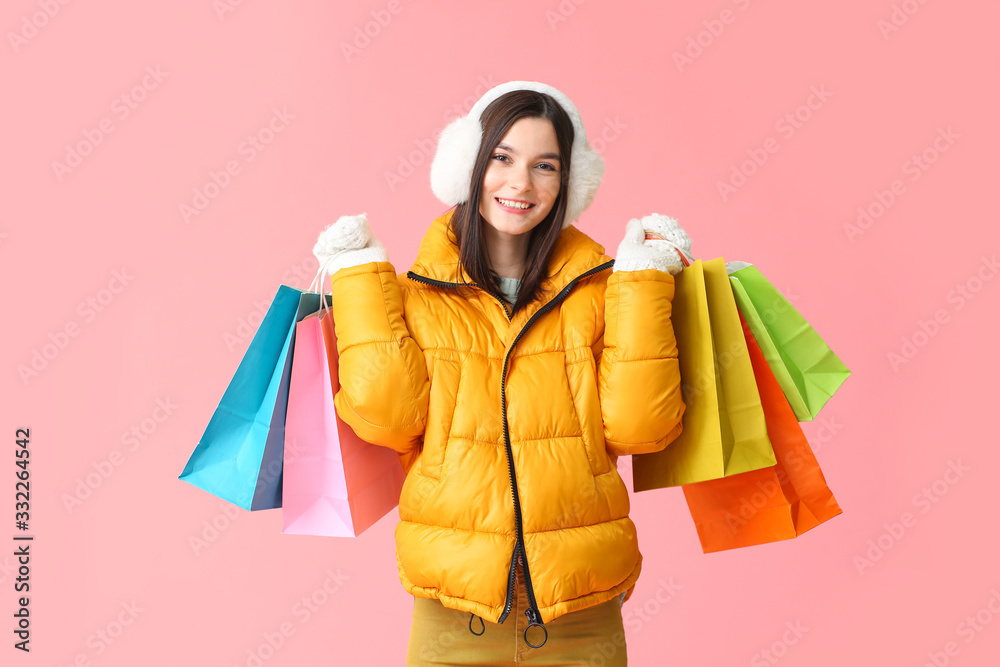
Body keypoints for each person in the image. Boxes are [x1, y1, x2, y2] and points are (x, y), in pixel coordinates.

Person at [313, 81, 689, 666]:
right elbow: (386, 419)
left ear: (569, 183)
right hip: (453, 612)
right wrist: (359, 277)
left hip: (580, 611)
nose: (521, 183)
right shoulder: (414, 298)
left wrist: (644, 282)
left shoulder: (603, 294)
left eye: (546, 166)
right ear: (469, 165)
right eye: (502, 158)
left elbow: (641, 428)